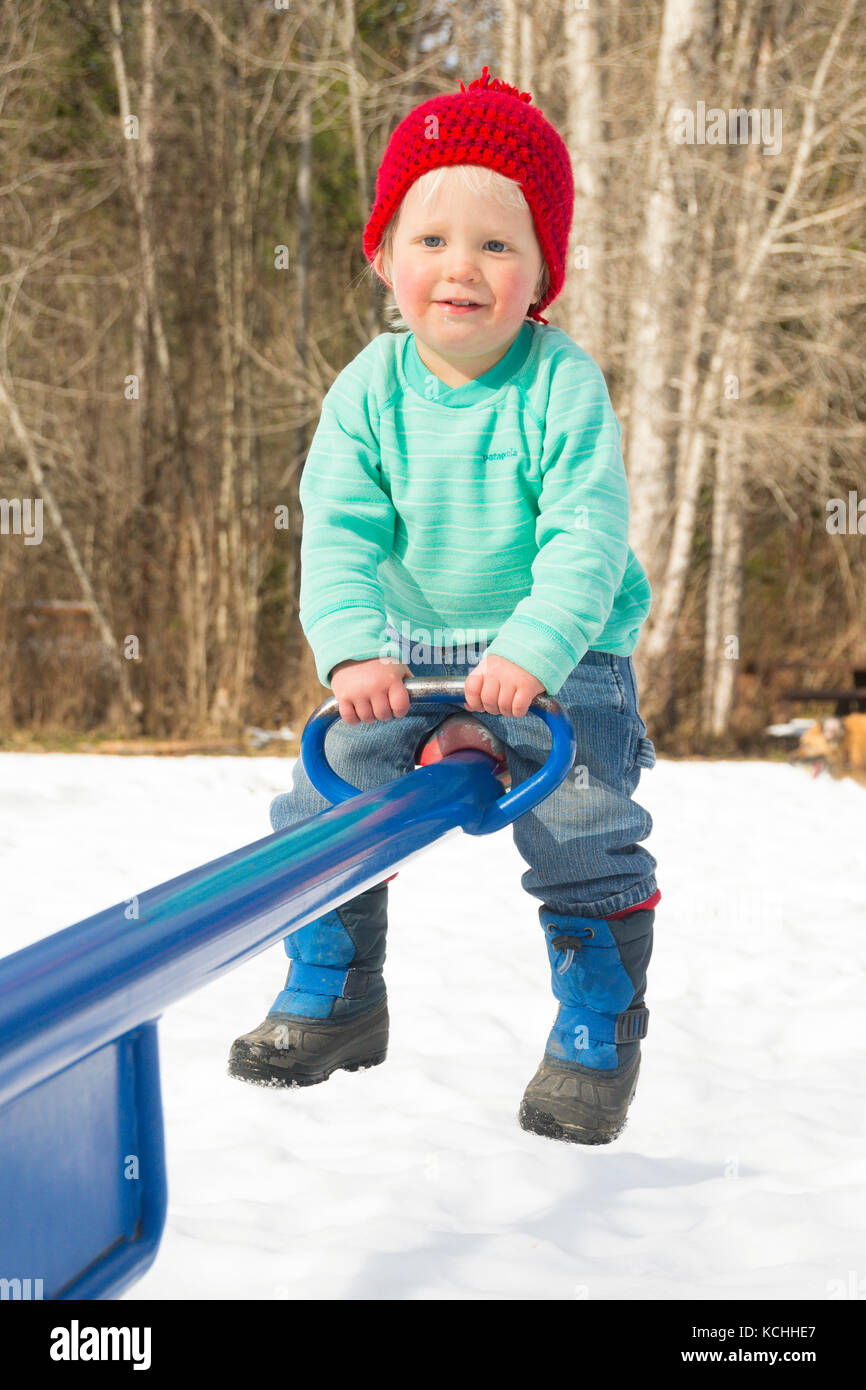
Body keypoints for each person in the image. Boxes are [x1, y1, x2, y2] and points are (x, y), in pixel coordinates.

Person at [229, 66, 660, 1145]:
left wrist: (533, 649)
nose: (458, 267)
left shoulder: (558, 385)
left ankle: (594, 1027)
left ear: (540, 271)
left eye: (495, 243)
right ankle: (334, 989)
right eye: (429, 240)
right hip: (410, 652)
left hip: (561, 656)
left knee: (583, 829)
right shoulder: (364, 392)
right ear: (382, 255)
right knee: (327, 804)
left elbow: (584, 537)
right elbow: (337, 532)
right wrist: (350, 652)